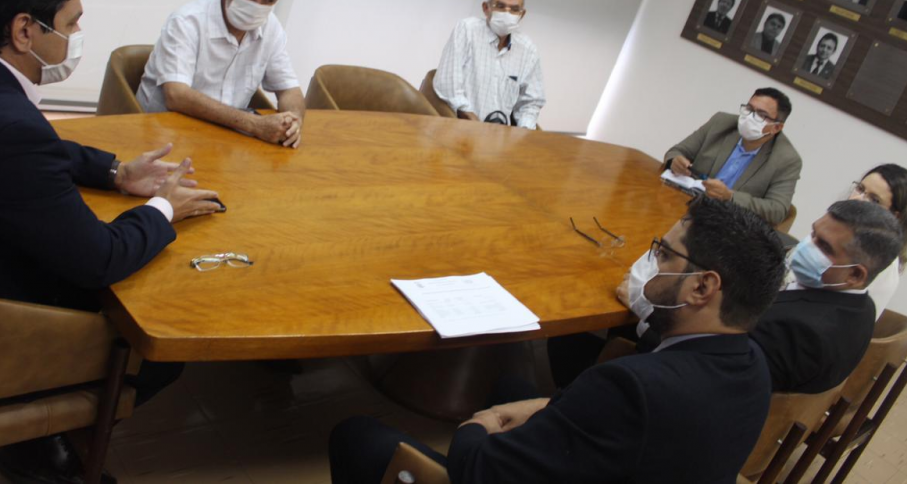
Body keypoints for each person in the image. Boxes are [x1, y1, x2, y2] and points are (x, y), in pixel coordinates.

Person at [0, 0, 222, 484]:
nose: (77, 37)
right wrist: (163, 208)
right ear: (24, 30)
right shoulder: (6, 129)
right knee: (163, 336)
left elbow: (29, 144)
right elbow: (98, 258)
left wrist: (115, 171)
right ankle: (29, 444)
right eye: (71, 23)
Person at [328, 197, 785, 484]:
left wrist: (478, 425)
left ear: (702, 287)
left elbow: (480, 470)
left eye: (663, 254)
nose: (649, 262)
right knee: (510, 388)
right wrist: (545, 406)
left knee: (357, 436)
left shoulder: (631, 388)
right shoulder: (752, 367)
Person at [137, 0, 305, 148]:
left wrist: (293, 121)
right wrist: (254, 124)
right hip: (163, 134)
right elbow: (176, 96)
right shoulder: (187, 21)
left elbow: (289, 90)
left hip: (225, 138)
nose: (258, 5)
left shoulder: (271, 27)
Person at [750, 201, 902, 393]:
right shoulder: (864, 305)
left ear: (855, 275)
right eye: (813, 233)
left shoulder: (799, 332)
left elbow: (729, 375)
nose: (806, 246)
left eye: (824, 246)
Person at [664, 88, 802, 225]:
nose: (750, 117)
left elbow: (777, 210)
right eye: (749, 109)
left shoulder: (787, 159)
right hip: (684, 205)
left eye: (761, 115)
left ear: (776, 127)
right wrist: (675, 161)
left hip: (728, 223)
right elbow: (676, 151)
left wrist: (730, 197)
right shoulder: (721, 123)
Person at [432, 0, 545, 129]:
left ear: (522, 14)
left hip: (501, 135)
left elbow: (531, 101)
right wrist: (468, 114)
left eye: (514, 9)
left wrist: (524, 131)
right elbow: (447, 83)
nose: (507, 13)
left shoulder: (527, 48)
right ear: (486, 8)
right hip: (460, 126)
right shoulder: (468, 29)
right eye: (500, 6)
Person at [850, 165, 907, 319]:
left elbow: (853, 324)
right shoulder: (832, 228)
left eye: (874, 200)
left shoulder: (884, 265)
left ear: (894, 216)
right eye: (860, 189)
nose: (857, 199)